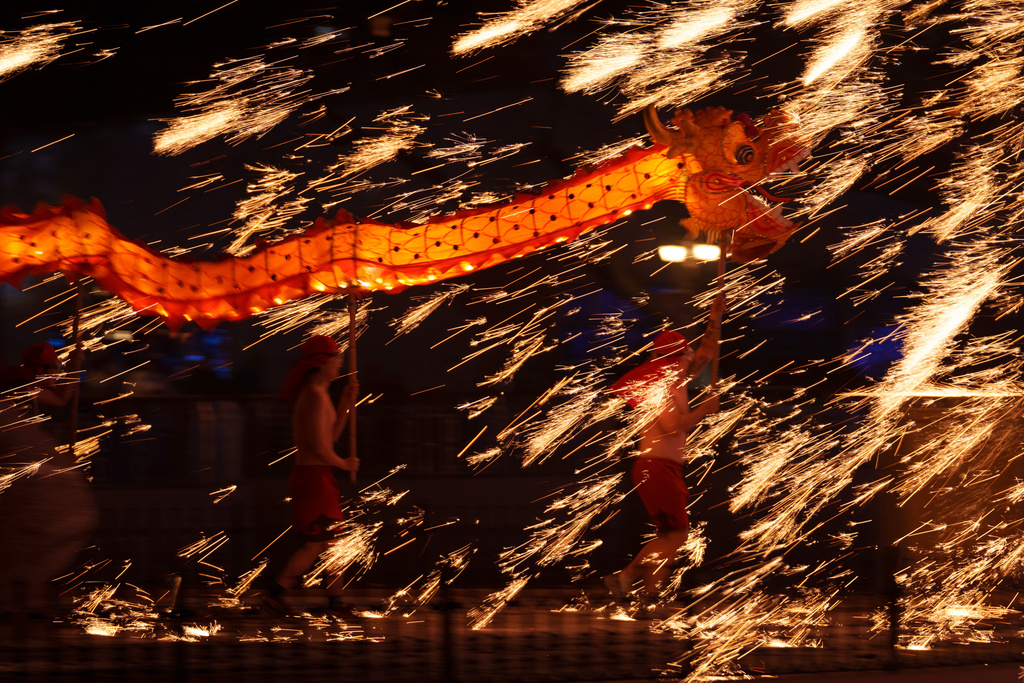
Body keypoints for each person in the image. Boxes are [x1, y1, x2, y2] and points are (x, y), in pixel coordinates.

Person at [604, 293, 725, 602]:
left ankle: (650, 595)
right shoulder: (658, 388)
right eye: (686, 357)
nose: (690, 361)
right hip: (657, 468)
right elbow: (672, 427)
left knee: (668, 538)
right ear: (675, 359)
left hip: (662, 468)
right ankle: (625, 577)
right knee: (677, 536)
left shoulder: (674, 380)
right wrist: (704, 409)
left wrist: (716, 315)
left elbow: (707, 352)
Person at [263, 335, 360, 617]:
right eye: (336, 358)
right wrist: (344, 464)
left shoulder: (319, 394)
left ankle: (328, 601)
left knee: (329, 543)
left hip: (314, 476)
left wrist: (344, 401)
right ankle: (282, 595)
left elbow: (328, 438)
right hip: (314, 477)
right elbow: (319, 449)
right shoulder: (315, 397)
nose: (341, 363)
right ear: (322, 362)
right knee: (320, 544)